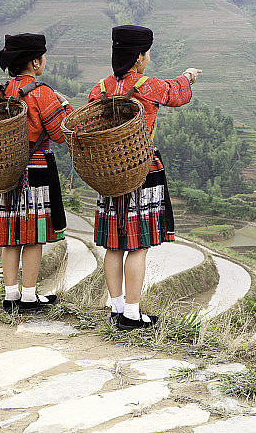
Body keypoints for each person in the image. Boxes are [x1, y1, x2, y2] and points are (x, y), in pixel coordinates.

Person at [87, 25, 200, 330]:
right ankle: (132, 314)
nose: (147, 58)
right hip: (140, 171)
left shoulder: (99, 89)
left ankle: (117, 307)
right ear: (138, 57)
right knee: (137, 245)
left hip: (110, 174)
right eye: (146, 53)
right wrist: (188, 77)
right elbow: (175, 93)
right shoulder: (146, 86)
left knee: (114, 245)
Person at [0, 33, 73, 313]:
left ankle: (10, 295)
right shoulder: (42, 92)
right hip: (36, 171)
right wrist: (65, 106)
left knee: (12, 235)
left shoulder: (2, 93)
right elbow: (62, 134)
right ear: (36, 62)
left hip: (7, 171)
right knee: (34, 235)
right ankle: (28, 296)